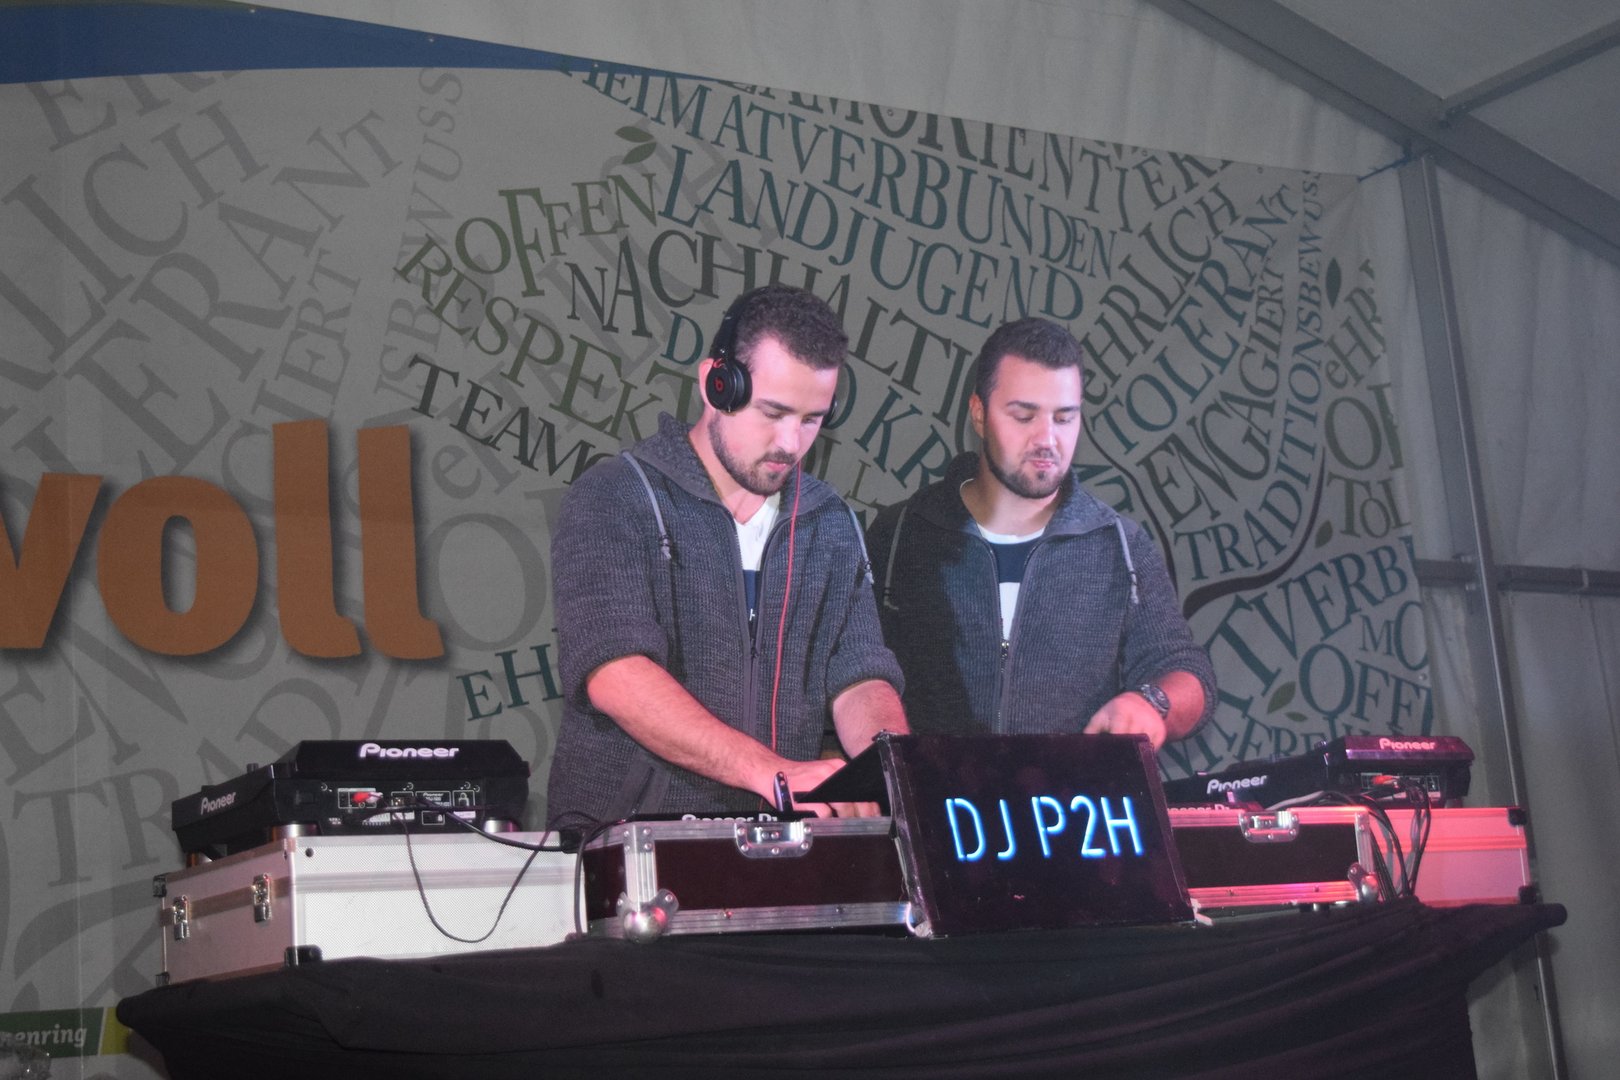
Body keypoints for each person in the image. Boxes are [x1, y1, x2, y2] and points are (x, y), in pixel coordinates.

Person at [546, 285, 907, 825]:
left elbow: (860, 676)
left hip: (782, 849)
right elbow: (616, 673)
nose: (790, 443)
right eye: (773, 412)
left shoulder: (830, 522)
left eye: (811, 419)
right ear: (718, 384)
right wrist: (771, 772)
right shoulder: (615, 496)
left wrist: (895, 772)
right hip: (627, 844)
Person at [867, 317, 1214, 749]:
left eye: (1064, 418)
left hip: (1073, 794)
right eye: (1024, 416)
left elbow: (1189, 672)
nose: (1047, 439)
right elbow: (847, 678)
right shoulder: (900, 534)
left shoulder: (1120, 546)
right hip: (930, 793)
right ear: (979, 413)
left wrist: (1152, 702)